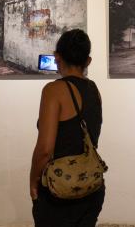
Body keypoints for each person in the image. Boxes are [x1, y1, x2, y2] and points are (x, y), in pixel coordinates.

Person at [29, 29, 105, 227]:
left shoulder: (53, 90)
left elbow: (45, 150)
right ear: (88, 61)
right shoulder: (94, 89)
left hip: (60, 191)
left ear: (57, 57)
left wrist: (33, 180)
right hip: (91, 187)